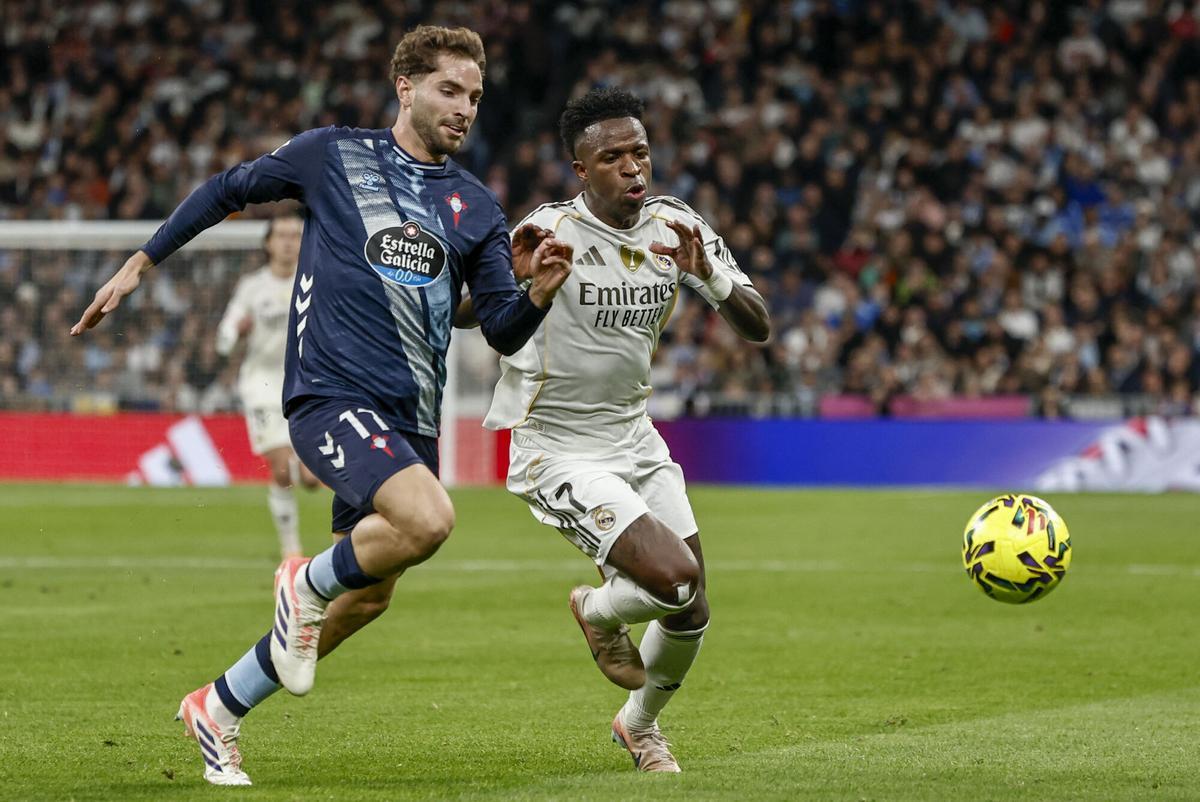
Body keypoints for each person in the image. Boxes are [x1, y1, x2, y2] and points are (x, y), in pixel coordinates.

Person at [71, 25, 572, 786]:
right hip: (328, 394)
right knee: (431, 520)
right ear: (405, 87)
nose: (464, 107)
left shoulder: (475, 206)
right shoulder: (333, 155)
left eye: (474, 96)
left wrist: (537, 289)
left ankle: (218, 705)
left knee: (369, 596)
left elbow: (498, 326)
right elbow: (227, 189)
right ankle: (301, 582)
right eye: (449, 89)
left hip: (411, 417)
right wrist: (143, 261)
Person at [483, 87, 770, 772]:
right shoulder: (550, 230)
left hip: (635, 437)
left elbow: (758, 324)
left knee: (690, 608)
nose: (633, 168)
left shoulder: (675, 225)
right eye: (612, 157)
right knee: (673, 578)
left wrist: (711, 277)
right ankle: (596, 609)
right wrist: (524, 283)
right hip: (556, 445)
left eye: (640, 152)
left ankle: (638, 727)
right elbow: (476, 315)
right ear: (581, 170)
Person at [215, 209, 321, 559]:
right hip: (261, 384)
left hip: (307, 383)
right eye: (283, 236)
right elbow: (223, 337)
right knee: (280, 470)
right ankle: (291, 549)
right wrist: (235, 333)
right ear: (268, 243)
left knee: (310, 479)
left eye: (295, 235)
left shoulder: (316, 280)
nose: (290, 242)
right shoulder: (252, 287)